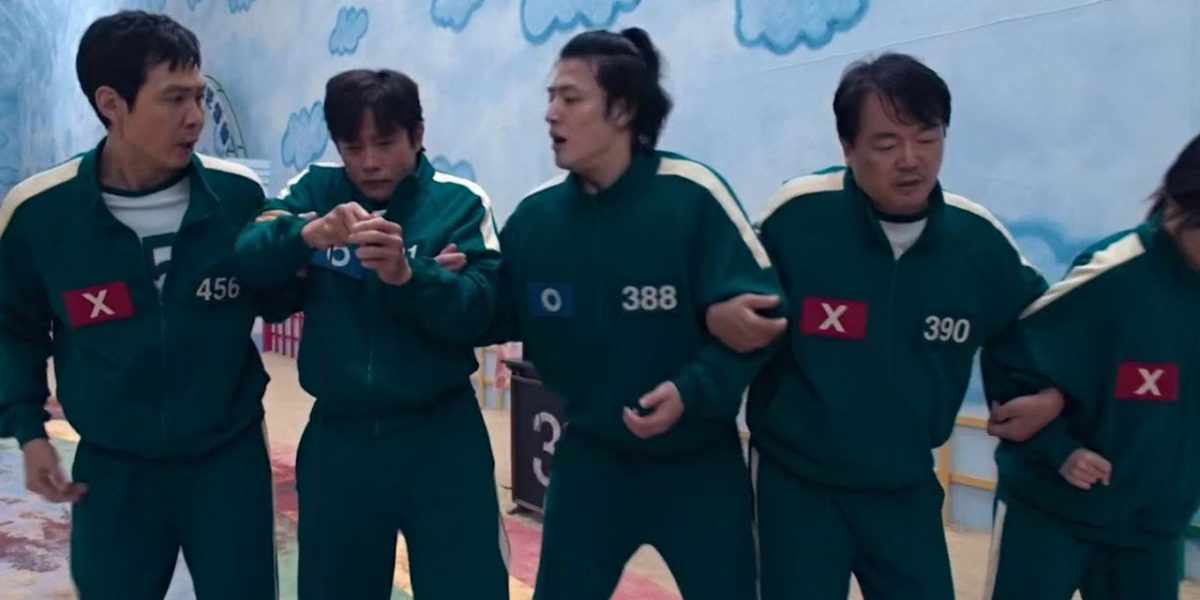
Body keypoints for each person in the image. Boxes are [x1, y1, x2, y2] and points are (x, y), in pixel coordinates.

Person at [707, 52, 1055, 599]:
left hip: (905, 485)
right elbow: (728, 294)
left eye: (927, 137)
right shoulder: (797, 218)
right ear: (848, 148)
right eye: (887, 144)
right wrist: (715, 310)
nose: (911, 160)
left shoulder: (977, 244)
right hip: (796, 486)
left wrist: (1051, 395)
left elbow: (1045, 326)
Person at [0, 11, 298, 599]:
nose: (196, 116)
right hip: (114, 469)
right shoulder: (40, 214)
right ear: (112, 103)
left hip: (226, 460)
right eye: (174, 98)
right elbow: (14, 329)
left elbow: (279, 299)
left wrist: (299, 248)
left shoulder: (238, 196)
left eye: (199, 96)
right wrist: (28, 430)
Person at [485, 27, 782, 600]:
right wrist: (428, 275)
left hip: (699, 466)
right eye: (551, 96)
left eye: (570, 98)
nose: (551, 113)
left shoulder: (693, 197)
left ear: (622, 109)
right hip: (590, 460)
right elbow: (489, 313)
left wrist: (693, 390)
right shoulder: (537, 220)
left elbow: (768, 319)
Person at [233, 68, 508, 600]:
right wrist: (308, 235)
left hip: (443, 438)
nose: (368, 162)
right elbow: (250, 259)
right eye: (352, 147)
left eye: (384, 143)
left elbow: (485, 311)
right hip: (341, 440)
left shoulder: (459, 203)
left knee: (467, 587)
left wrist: (412, 276)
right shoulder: (314, 192)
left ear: (417, 135)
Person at [983, 133, 1200, 600]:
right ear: (1178, 207)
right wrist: (1057, 448)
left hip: (1154, 529)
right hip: (1051, 515)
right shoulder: (1114, 274)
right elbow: (1011, 363)